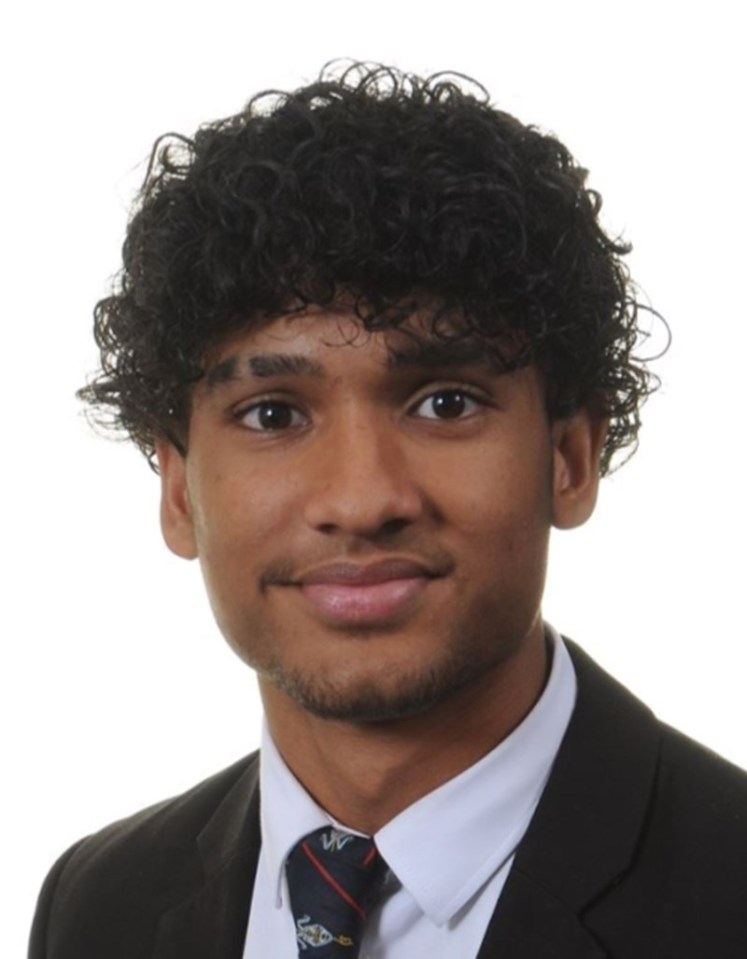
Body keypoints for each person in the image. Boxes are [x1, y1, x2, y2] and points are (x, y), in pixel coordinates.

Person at [30, 62, 747, 959]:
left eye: (444, 402)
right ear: (178, 490)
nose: (362, 500)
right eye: (272, 414)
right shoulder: (100, 905)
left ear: (569, 457)